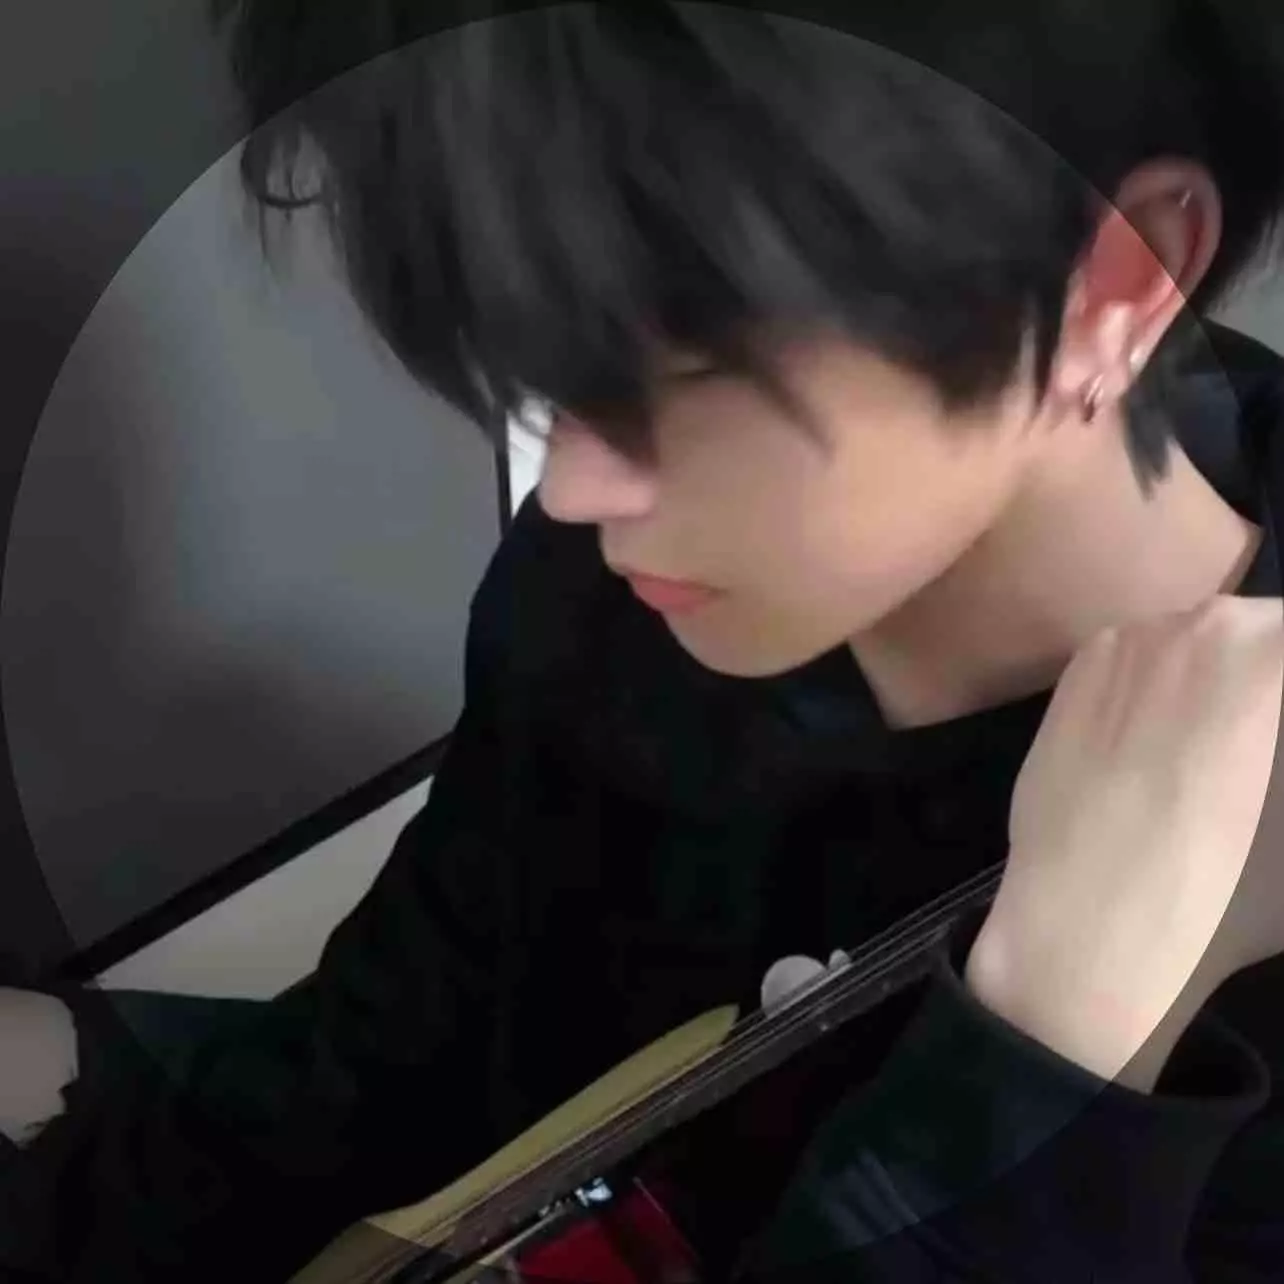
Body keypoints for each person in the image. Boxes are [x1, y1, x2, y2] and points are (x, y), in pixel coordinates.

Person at [4, 2, 1284, 1279]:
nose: (571, 488)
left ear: (1108, 284)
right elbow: (398, 1060)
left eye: (685, 369)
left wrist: (1052, 1048)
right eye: (555, 372)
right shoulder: (619, 595)